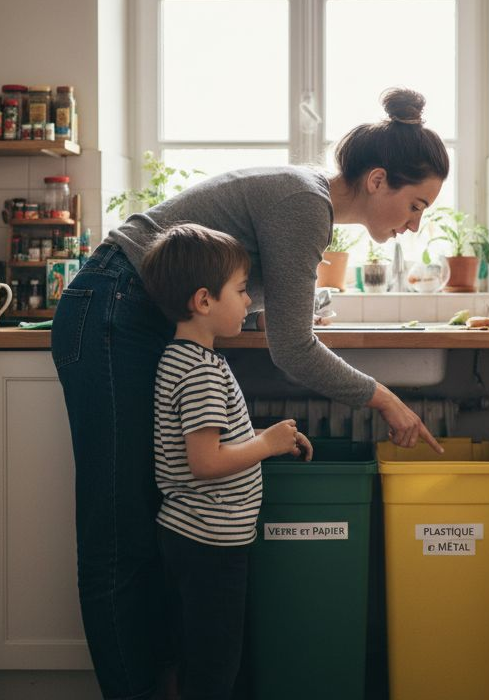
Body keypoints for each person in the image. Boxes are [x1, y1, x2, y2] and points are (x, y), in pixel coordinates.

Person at [51, 87, 448, 698]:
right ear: (377, 180)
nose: (415, 224)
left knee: (143, 519)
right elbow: (293, 348)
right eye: (416, 204)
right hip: (112, 306)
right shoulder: (303, 206)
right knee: (118, 530)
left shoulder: (306, 203)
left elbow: (267, 311)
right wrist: (385, 399)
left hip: (130, 310)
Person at [140, 223, 313, 699]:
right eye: (240, 291)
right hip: (210, 543)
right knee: (216, 664)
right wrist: (268, 445)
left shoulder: (184, 359)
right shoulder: (200, 373)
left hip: (191, 537)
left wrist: (264, 437)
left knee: (190, 651)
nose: (248, 301)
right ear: (203, 302)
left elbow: (213, 441)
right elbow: (205, 463)